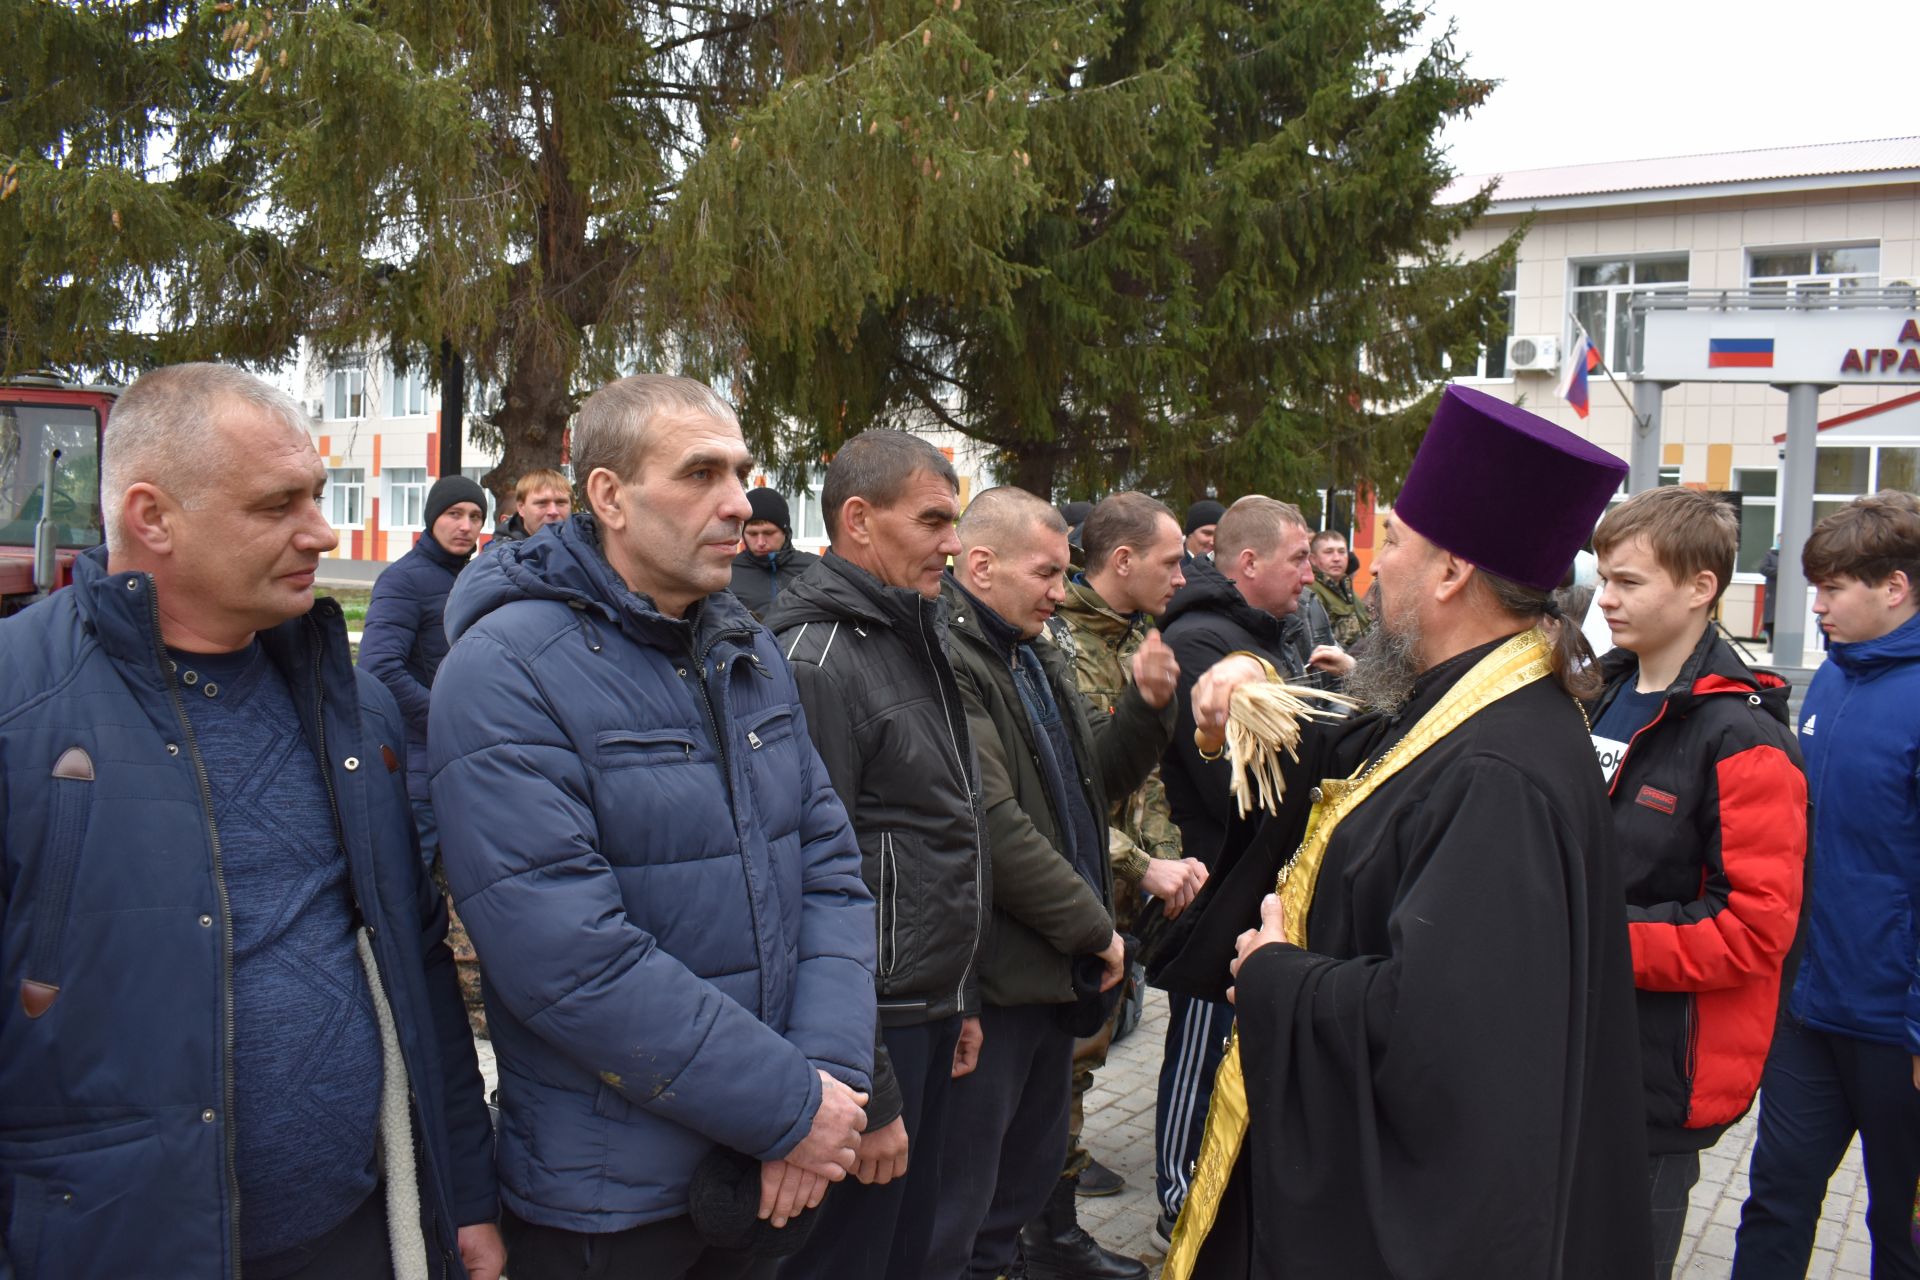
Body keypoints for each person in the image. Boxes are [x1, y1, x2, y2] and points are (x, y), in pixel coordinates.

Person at [0, 363, 501, 1279]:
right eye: (279, 505)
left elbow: (416, 963)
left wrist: (462, 1194)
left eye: (317, 493)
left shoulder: (353, 708)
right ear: (153, 517)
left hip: (356, 1234)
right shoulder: (19, 710)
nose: (324, 529)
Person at [1160, 382, 1652, 1280]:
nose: (1372, 566)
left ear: (1453, 571)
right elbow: (1357, 749)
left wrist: (1276, 978)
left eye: (1393, 542)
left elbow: (1447, 1040)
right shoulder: (1479, 705)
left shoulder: (1502, 775)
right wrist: (1243, 678)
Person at [428, 374, 876, 1280]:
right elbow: (571, 958)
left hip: (771, 1169)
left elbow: (827, 868)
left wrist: (824, 1088)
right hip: (615, 1203)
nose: (739, 500)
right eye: (701, 473)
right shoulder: (507, 669)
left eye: (742, 471)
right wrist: (791, 1105)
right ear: (609, 497)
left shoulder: (743, 647)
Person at [926, 487, 1176, 1280]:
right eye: (1045, 573)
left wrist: (1147, 705)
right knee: (964, 1210)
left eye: (1064, 574)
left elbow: (1090, 778)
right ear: (980, 564)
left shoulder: (1032, 650)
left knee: (1018, 1190)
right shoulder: (950, 661)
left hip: (1044, 976)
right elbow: (993, 824)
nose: (1059, 591)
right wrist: (1095, 929)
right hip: (998, 980)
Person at [763, 431, 987, 1280]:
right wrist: (872, 1089)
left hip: (922, 1015)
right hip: (866, 1039)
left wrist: (959, 995)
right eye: (933, 520)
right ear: (858, 520)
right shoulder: (814, 658)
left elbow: (937, 831)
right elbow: (814, 885)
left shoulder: (910, 629)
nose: (953, 543)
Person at [1588, 486, 1808, 1279]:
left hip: (1656, 1080)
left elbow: (1754, 933)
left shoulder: (1742, 737)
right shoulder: (1602, 694)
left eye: (1628, 582)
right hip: (1578, 1040)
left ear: (1700, 588)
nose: (1605, 598)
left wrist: (1591, 940)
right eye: (1604, 577)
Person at [1734, 490, 1920, 1280]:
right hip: (1809, 1011)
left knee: (1899, 1233)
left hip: (1898, 1032)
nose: (1817, 607)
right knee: (1775, 1199)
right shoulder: (1835, 679)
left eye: (1834, 588)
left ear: (1896, 588)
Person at [1149, 496, 1345, 1234]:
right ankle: (1175, 1195)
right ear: (1249, 563)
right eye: (1299, 558)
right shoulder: (1203, 640)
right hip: (1217, 883)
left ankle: (1215, 1184)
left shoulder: (1264, 633)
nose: (1311, 573)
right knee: (1198, 1047)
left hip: (1252, 878)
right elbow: (1231, 778)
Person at [1041, 492, 1209, 1274]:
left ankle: (1050, 1226)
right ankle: (1044, 1234)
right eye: (1172, 560)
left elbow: (1145, 782)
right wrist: (1142, 865)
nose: (1184, 574)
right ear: (1122, 562)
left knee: (1090, 1058)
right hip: (1072, 892)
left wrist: (1168, 859)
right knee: (1061, 1072)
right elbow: (1061, 796)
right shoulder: (1060, 645)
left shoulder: (1138, 637)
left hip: (1118, 898)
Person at [358, 473, 487, 867]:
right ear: (432, 517)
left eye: (475, 516)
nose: (465, 526)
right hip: (420, 769)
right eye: (453, 513)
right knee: (415, 892)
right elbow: (378, 669)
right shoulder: (403, 580)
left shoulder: (472, 577)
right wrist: (448, 718)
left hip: (465, 760)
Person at [730, 487, 821, 619]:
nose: (760, 542)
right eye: (752, 533)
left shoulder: (815, 568)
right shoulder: (728, 572)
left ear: (786, 532)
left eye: (769, 533)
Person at [1304, 529, 1372, 647]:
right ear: (1313, 559)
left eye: (1342, 552)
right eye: (1328, 552)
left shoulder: (1347, 590)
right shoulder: (1309, 591)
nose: (1336, 558)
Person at [494, 467, 573, 541]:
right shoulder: (502, 554)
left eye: (561, 502)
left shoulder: (582, 547)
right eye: (542, 503)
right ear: (521, 508)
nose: (553, 511)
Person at [1181, 499, 1224, 569]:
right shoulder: (1174, 568)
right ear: (1190, 534)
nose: (1213, 541)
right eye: (1207, 533)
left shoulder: (1228, 570)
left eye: (1218, 534)